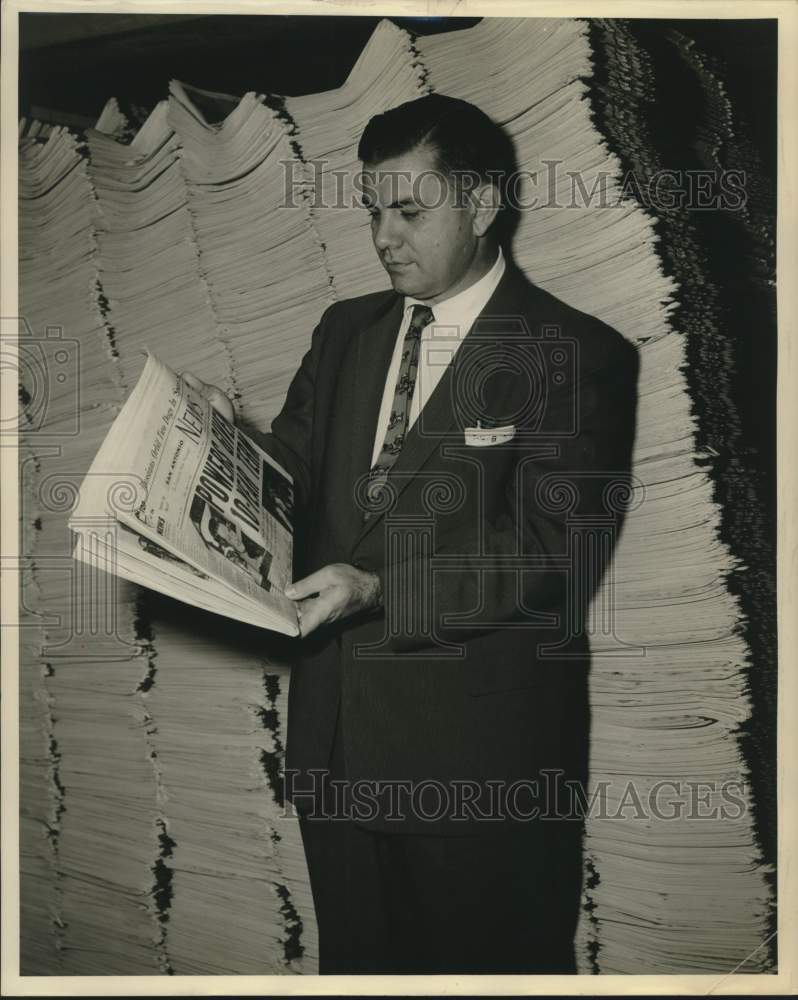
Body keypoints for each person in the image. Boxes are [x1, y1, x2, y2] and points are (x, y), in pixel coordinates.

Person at [184, 93, 639, 975]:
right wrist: (221, 443)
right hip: (338, 748)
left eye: (411, 211)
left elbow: (551, 554)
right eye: (373, 212)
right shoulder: (347, 330)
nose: (385, 236)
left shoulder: (574, 353)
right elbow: (295, 477)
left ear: (482, 205)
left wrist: (383, 589)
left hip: (477, 768)